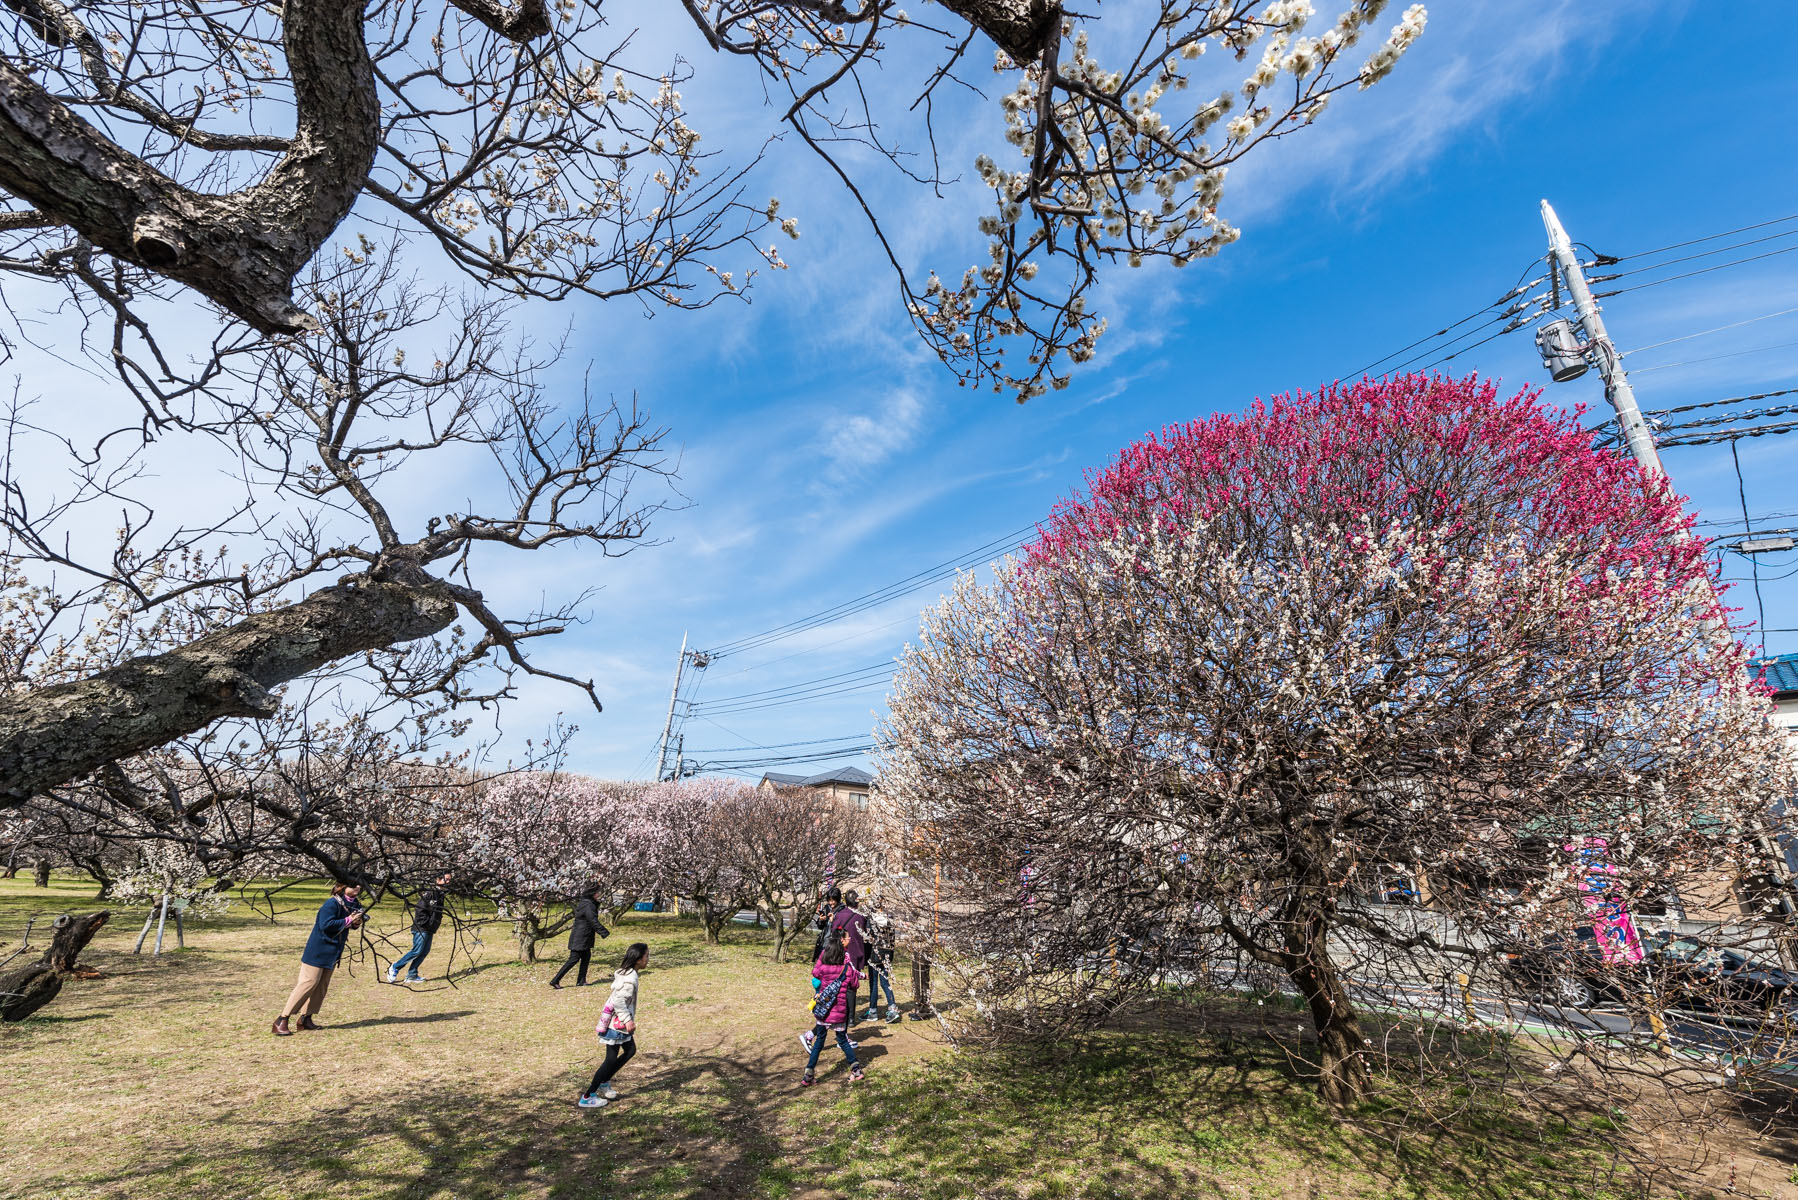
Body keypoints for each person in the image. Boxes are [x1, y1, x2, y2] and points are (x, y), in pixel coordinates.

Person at [274, 882, 366, 1036]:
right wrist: (348, 920)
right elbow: (326, 925)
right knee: (308, 984)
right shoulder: (331, 904)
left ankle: (305, 1019)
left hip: (334, 951)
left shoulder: (354, 904)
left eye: (359, 885)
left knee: (321, 986)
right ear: (343, 887)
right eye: (353, 886)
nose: (357, 888)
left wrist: (356, 922)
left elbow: (350, 924)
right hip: (318, 950)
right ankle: (282, 1020)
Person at [578, 942, 648, 1108]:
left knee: (630, 1050)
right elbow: (618, 1001)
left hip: (617, 1024)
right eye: (646, 957)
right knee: (610, 1060)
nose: (648, 960)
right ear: (638, 959)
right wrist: (628, 1020)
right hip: (616, 1025)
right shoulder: (629, 980)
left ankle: (604, 1081)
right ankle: (588, 1095)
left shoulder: (629, 972)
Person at [799, 930, 864, 1086]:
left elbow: (815, 973)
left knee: (819, 1042)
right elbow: (855, 985)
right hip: (839, 1012)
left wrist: (822, 960)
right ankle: (856, 1069)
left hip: (824, 1011)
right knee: (843, 1041)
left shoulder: (823, 968)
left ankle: (808, 1074)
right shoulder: (847, 969)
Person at [386, 872, 451, 983]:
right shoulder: (430, 892)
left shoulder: (440, 894)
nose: (448, 882)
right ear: (438, 880)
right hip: (421, 928)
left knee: (424, 951)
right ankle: (395, 967)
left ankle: (412, 975)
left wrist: (434, 925)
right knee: (417, 951)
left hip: (430, 928)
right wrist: (425, 923)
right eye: (446, 879)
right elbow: (420, 909)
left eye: (450, 880)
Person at [551, 884, 611, 989]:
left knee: (586, 957)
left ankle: (581, 980)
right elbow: (592, 920)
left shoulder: (587, 903)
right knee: (573, 959)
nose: (599, 894)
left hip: (584, 936)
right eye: (597, 892)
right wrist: (603, 932)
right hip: (581, 936)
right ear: (592, 893)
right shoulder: (588, 905)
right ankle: (555, 980)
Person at [829, 888, 869, 1022]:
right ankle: (850, 1018)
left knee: (839, 985)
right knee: (852, 986)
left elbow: (834, 932)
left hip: (841, 954)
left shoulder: (840, 915)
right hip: (856, 953)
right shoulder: (861, 917)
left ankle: (841, 1015)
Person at [861, 896, 902, 1023]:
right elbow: (892, 938)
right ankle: (892, 1007)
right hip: (886, 953)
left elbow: (867, 938)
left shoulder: (871, 919)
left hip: (875, 954)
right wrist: (891, 953)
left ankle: (873, 1011)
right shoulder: (889, 919)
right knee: (885, 982)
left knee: (873, 984)